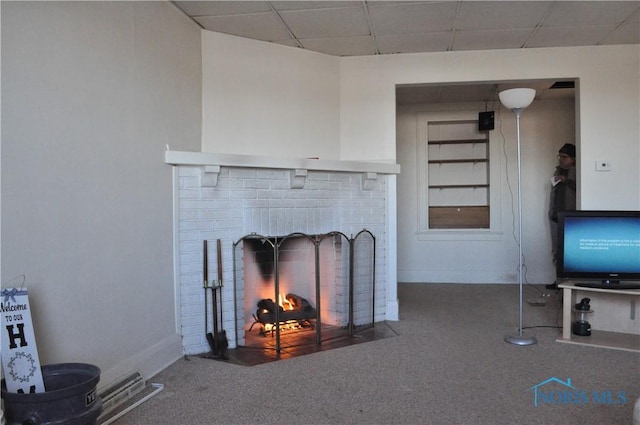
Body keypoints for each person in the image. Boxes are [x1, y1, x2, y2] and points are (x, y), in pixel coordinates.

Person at [546, 143, 577, 290]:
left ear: (573, 159)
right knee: (556, 251)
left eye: (564, 157)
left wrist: (567, 181)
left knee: (570, 252)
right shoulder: (557, 171)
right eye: (559, 156)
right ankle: (559, 282)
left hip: (571, 219)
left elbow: (581, 188)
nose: (561, 159)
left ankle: (569, 284)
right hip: (555, 216)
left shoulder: (577, 171)